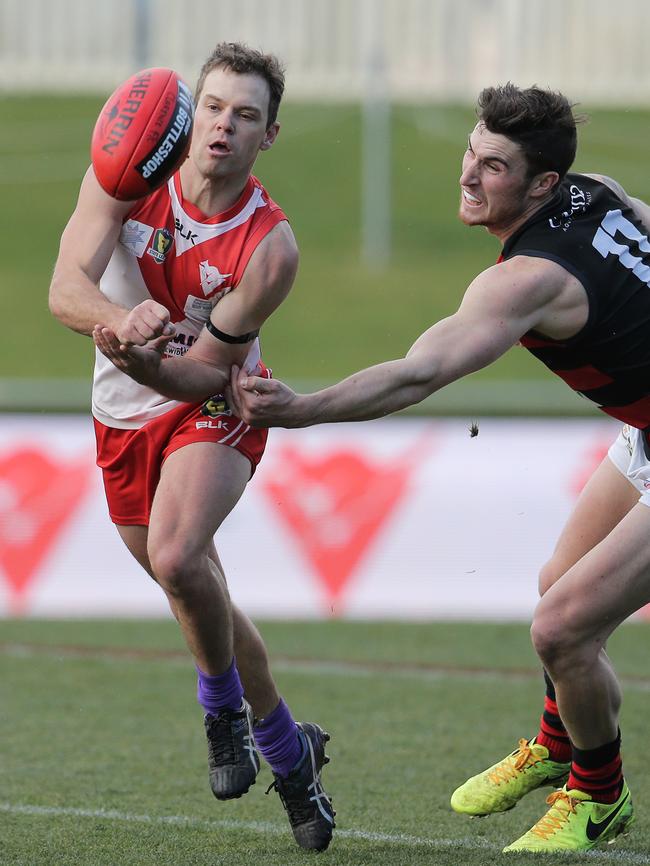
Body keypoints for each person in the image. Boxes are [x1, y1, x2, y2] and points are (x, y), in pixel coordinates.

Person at [225, 83, 650, 853]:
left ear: (542, 184)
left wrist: (299, 408)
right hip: (644, 431)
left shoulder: (525, 280)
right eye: (471, 151)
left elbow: (418, 374)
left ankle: (601, 797)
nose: (468, 173)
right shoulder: (598, 191)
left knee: (560, 630)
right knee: (561, 583)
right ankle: (562, 744)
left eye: (493, 164)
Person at [49, 42, 334, 853]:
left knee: (179, 557)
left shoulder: (268, 248)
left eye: (246, 116)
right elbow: (64, 285)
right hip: (120, 413)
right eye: (213, 108)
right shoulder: (130, 170)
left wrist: (148, 354)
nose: (224, 127)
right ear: (192, 113)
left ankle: (221, 715)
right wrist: (113, 325)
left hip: (213, 400)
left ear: (268, 136)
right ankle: (289, 749)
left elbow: (202, 373)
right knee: (197, 589)